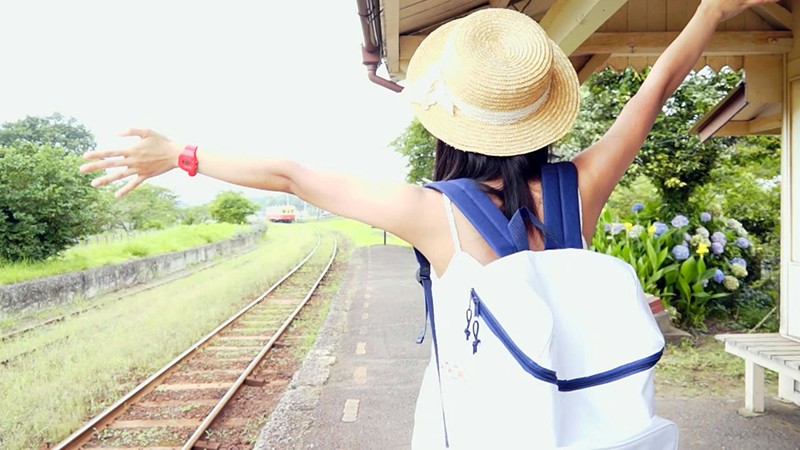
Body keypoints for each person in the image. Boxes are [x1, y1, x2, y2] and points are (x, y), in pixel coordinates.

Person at [81, 0, 775, 447]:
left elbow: (292, 175)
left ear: (451, 122)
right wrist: (711, 10)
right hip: (587, 427)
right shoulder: (582, 187)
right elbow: (656, 87)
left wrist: (181, 155)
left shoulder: (431, 212)